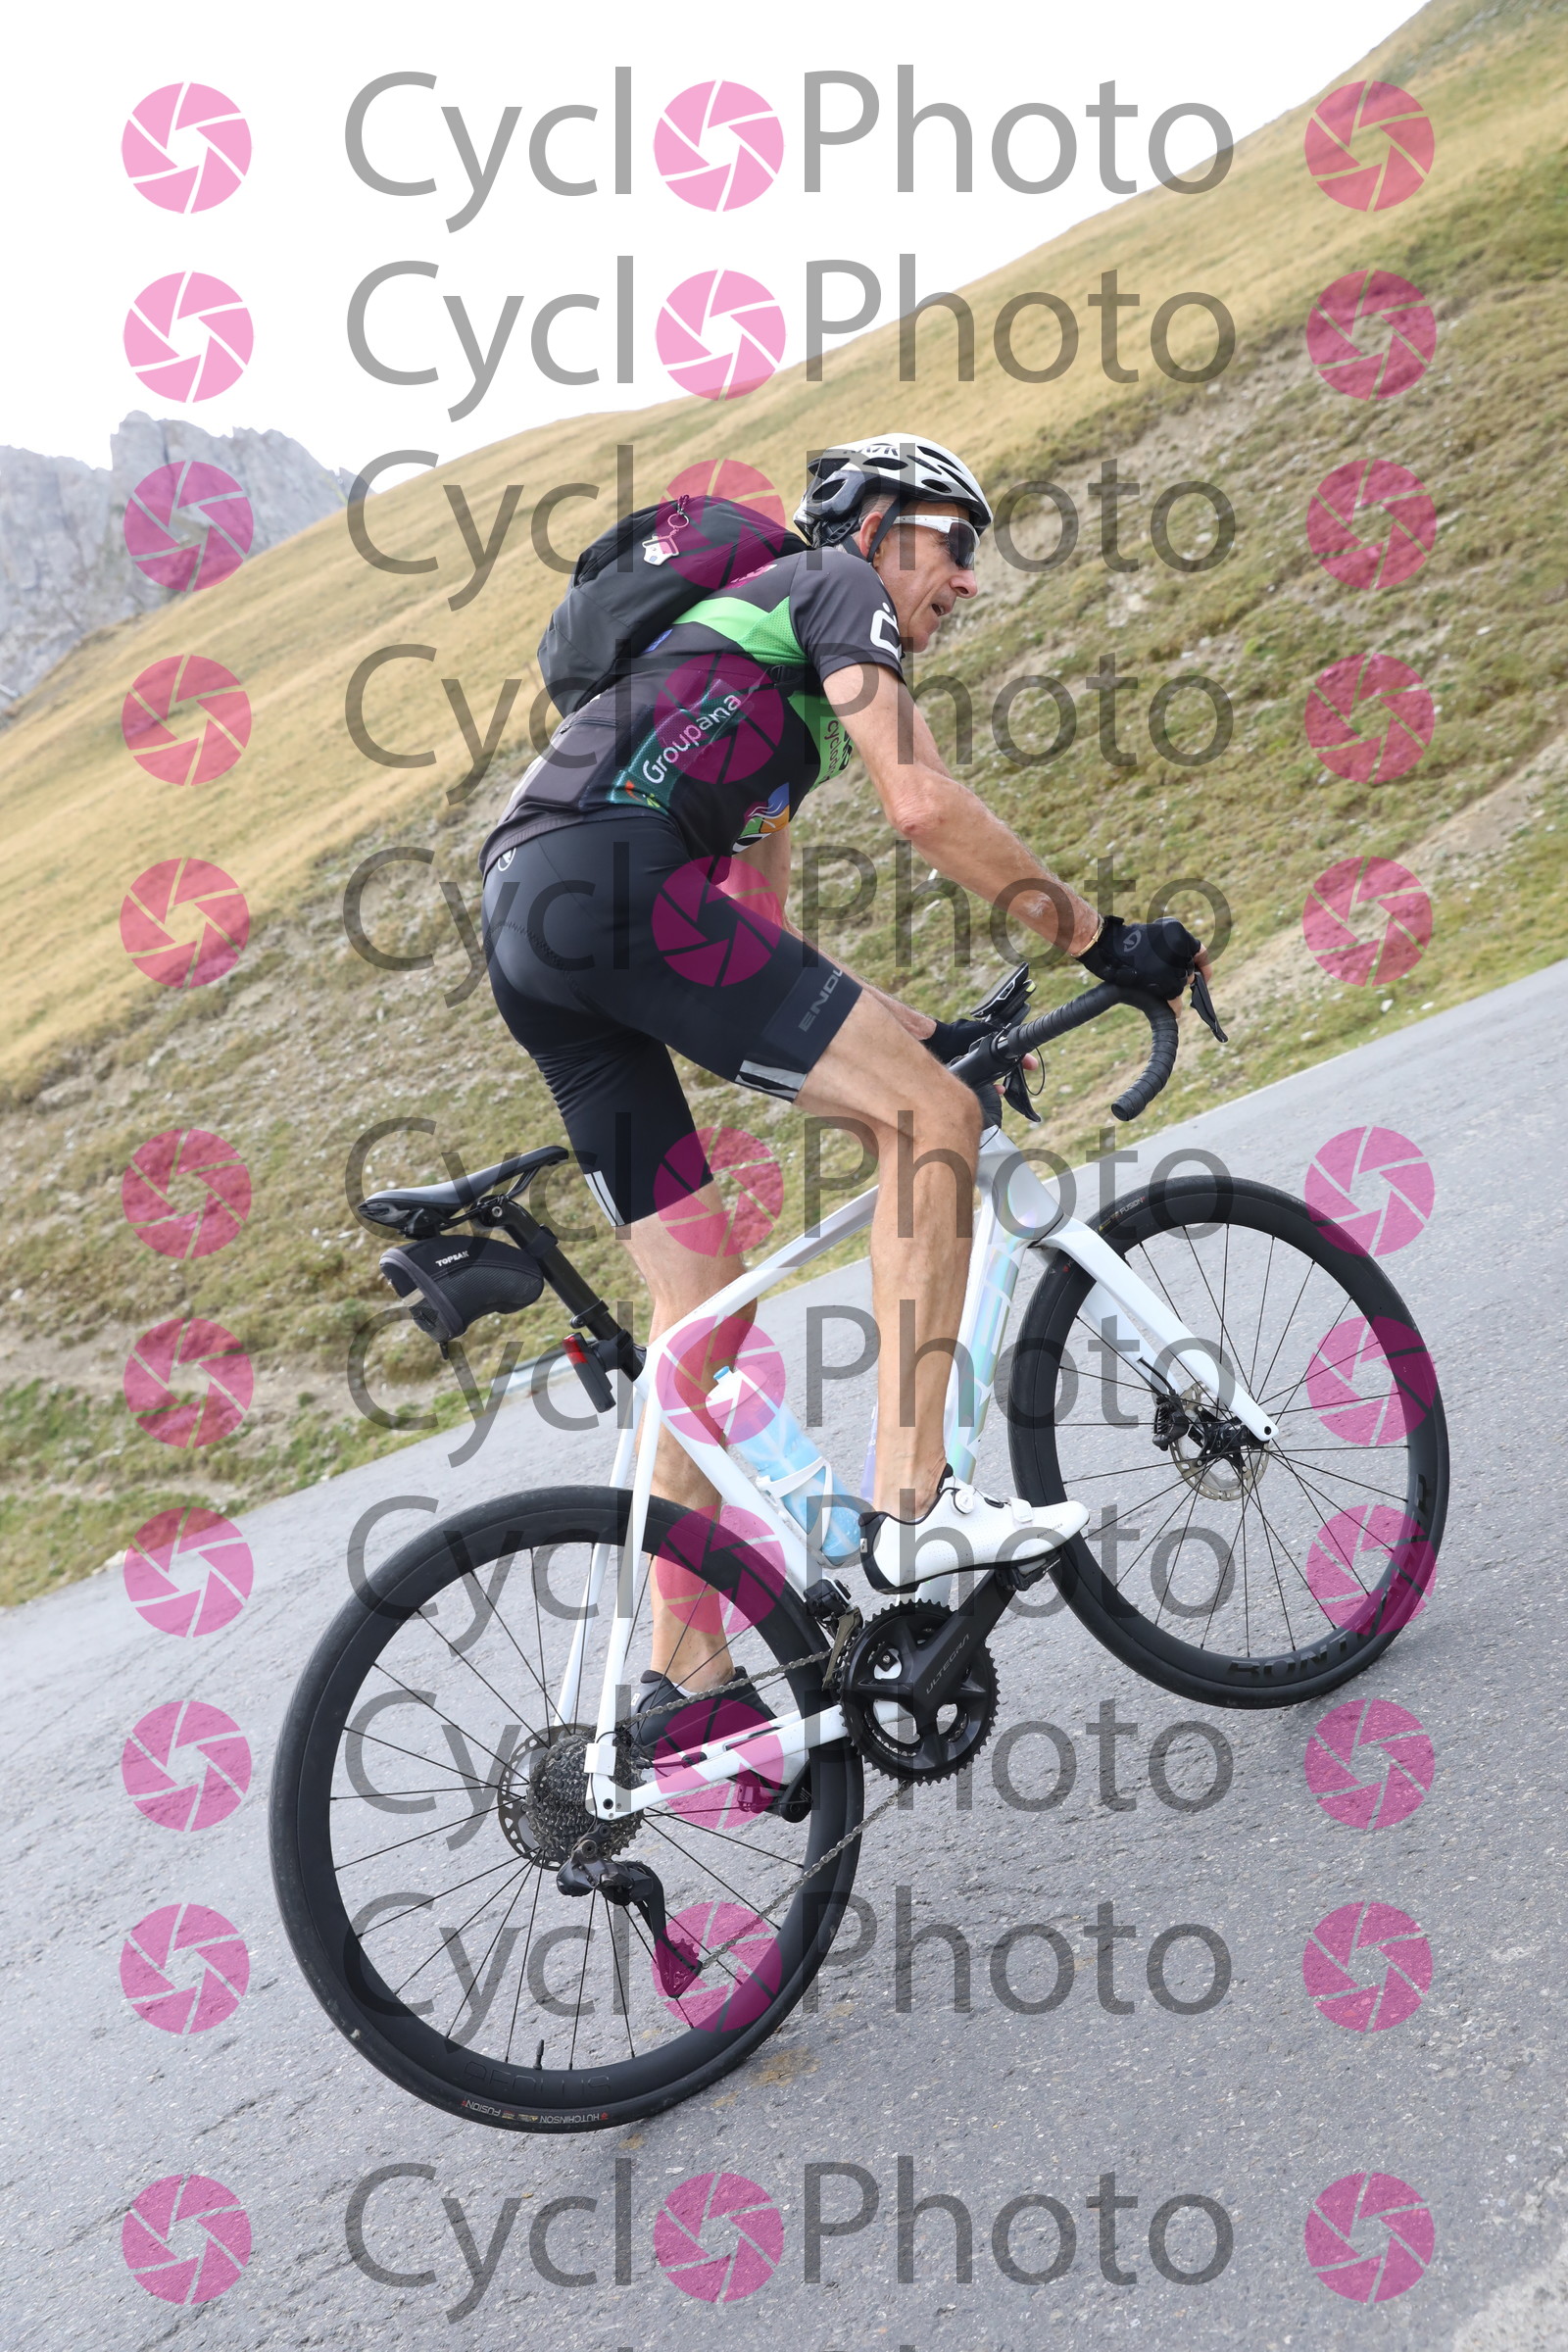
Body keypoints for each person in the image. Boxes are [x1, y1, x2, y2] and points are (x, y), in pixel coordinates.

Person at [478, 435, 1208, 1751]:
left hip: (530, 918)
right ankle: (917, 1503)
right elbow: (922, 804)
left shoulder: (762, 703)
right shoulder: (831, 587)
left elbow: (756, 948)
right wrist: (1104, 943)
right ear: (876, 525)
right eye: (953, 541)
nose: (967, 580)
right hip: (620, 890)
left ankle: (685, 1688)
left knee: (701, 1305)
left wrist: (929, 1030)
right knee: (932, 1121)